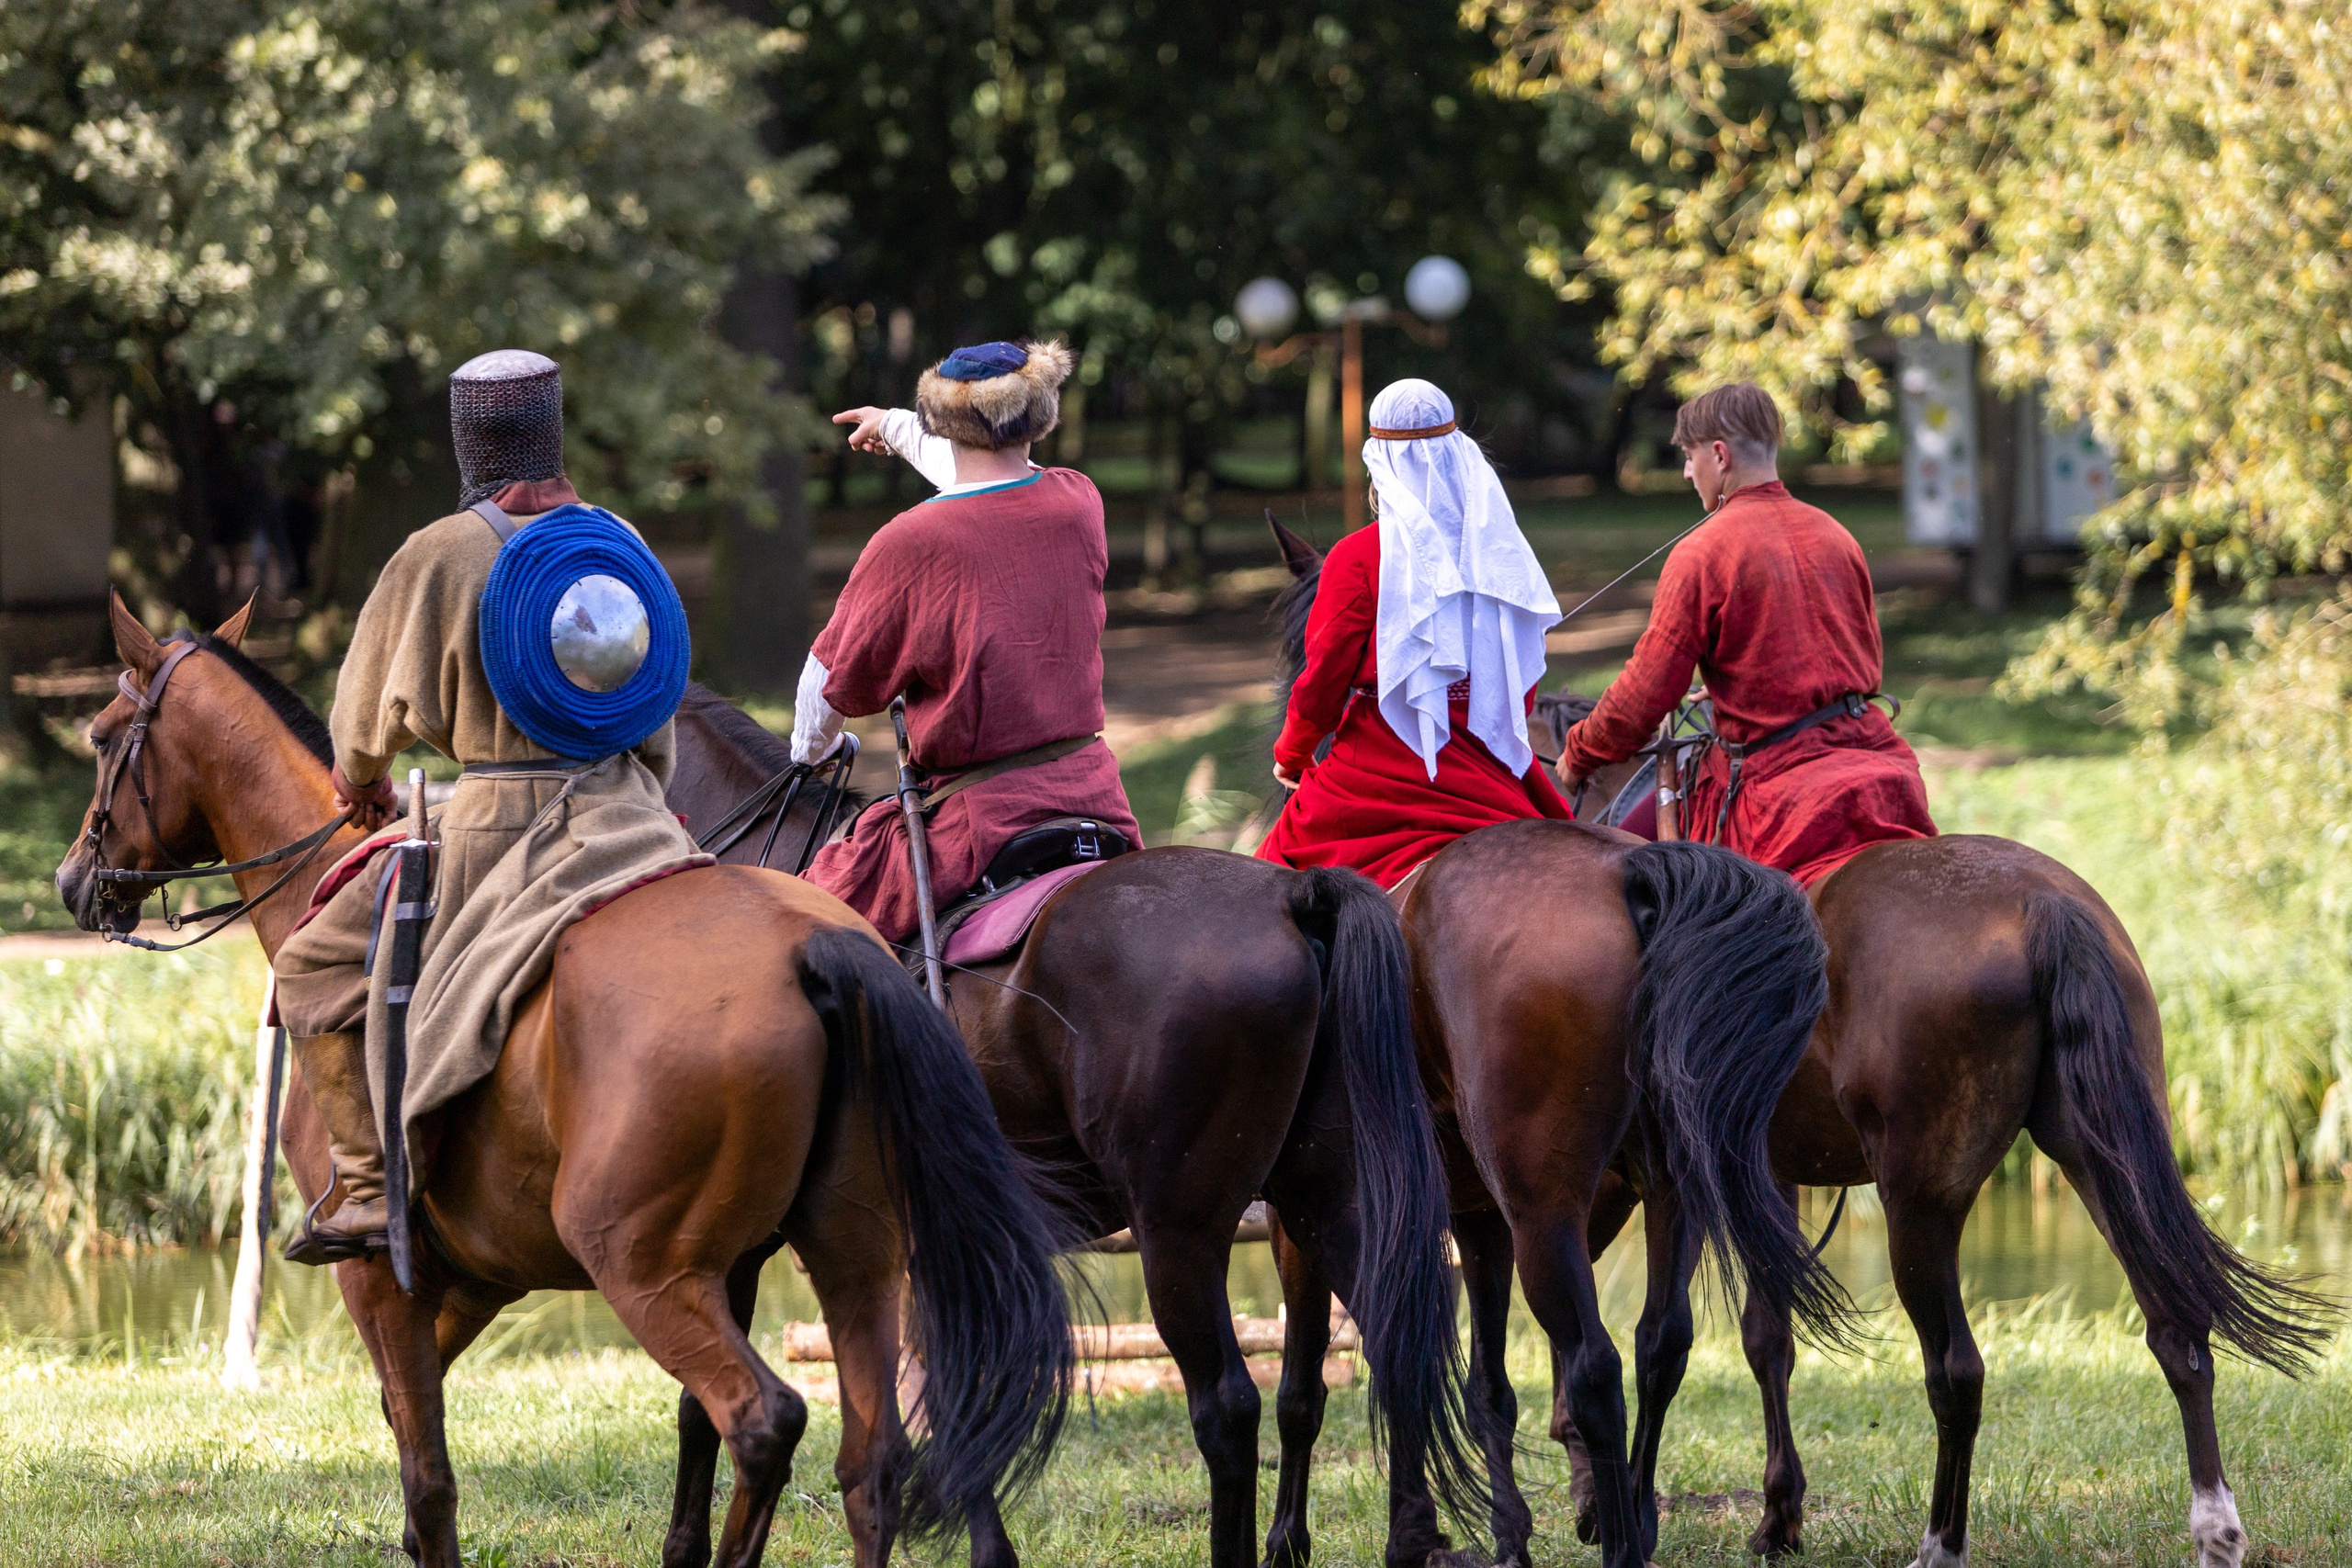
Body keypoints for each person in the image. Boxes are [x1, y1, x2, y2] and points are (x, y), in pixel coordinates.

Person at [272, 350, 701, 1262]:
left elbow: (358, 731)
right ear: (551, 428)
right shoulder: (617, 541)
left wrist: (363, 782)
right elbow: (656, 709)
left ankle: (366, 1185)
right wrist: (642, 792)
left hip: (493, 827)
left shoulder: (438, 553)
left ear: (469, 441)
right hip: (633, 812)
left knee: (308, 965)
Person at [797, 339, 1140, 944]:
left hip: (979, 820)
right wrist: (897, 428)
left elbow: (829, 679)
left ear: (943, 419)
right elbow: (991, 483)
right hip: (1095, 794)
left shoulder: (911, 540)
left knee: (810, 933)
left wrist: (810, 754)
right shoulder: (1077, 499)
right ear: (1038, 413)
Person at [1555, 382, 1935, 886]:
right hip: (1879, 770)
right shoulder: (1836, 533)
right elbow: (1844, 668)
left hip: (1776, 793)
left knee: (1619, 883)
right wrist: (1730, 689)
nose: (1688, 472)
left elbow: (1644, 699)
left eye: (1689, 457)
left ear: (1718, 454)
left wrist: (1577, 753)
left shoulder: (1701, 552)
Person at [1256, 378, 1572, 890]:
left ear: (1380, 463)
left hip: (1374, 771)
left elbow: (1321, 684)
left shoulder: (1356, 557)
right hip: (1487, 767)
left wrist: (1291, 754)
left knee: (1266, 886)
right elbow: (1521, 680)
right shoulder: (1499, 554)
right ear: (1457, 454)